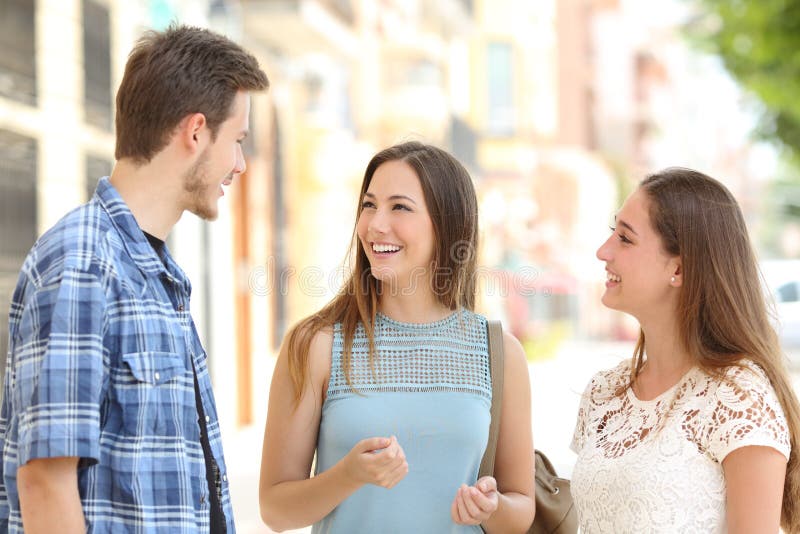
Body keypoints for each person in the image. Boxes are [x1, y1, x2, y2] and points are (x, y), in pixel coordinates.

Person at [0, 25, 268, 533]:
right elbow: (44, 483)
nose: (240, 165)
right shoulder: (83, 261)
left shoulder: (159, 273)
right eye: (237, 141)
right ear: (195, 132)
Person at [258, 141, 535, 533]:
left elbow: (521, 509)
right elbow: (275, 509)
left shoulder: (499, 353)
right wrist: (347, 476)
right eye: (369, 205)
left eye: (399, 207)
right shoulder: (315, 344)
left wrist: (491, 507)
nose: (374, 224)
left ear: (448, 224)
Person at [571, 168, 800, 533]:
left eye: (625, 239)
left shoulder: (739, 398)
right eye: (611, 233)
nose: (604, 251)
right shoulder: (604, 393)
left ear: (678, 267)